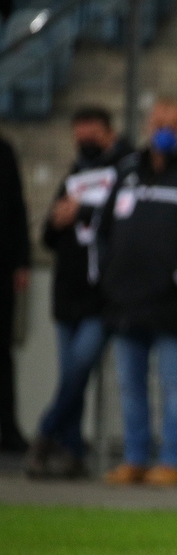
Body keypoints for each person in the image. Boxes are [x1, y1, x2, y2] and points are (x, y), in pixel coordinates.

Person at [93, 98, 177, 486]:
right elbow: (100, 231)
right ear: (148, 127)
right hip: (125, 302)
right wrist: (108, 277)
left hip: (169, 304)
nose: (164, 131)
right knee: (130, 385)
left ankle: (170, 460)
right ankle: (134, 458)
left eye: (172, 124)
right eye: (158, 124)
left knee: (173, 383)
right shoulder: (127, 170)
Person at [26, 106, 134, 479]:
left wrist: (83, 212)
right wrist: (59, 220)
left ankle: (44, 433)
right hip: (67, 294)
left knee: (77, 370)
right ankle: (71, 451)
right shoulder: (75, 171)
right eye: (78, 133)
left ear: (107, 131)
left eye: (89, 132)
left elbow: (124, 219)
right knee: (71, 377)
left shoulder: (127, 168)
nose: (82, 140)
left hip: (100, 296)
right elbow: (49, 236)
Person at [0, 134, 31, 454]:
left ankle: (8, 429)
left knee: (3, 355)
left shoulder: (5, 151)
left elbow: (17, 206)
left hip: (2, 270)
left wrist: (22, 261)